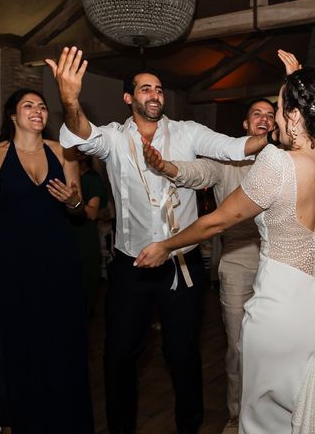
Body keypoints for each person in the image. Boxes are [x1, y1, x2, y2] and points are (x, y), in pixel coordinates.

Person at [135, 67, 315, 433]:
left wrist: (165, 246)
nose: (275, 118)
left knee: (268, 418)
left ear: (296, 117)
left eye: (280, 108)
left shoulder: (277, 164)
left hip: (278, 311)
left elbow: (216, 221)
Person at [46, 46, 274, 434]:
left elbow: (235, 147)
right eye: (146, 89)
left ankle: (190, 426)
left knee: (183, 354)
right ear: (128, 98)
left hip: (180, 267)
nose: (155, 95)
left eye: (159, 89)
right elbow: (82, 137)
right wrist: (69, 98)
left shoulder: (187, 132)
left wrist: (275, 130)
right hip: (130, 266)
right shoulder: (115, 139)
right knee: (118, 356)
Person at [142, 97, 277, 433]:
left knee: (275, 342)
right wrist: (167, 167)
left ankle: (275, 414)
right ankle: (236, 414)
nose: (264, 119)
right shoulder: (226, 162)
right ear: (245, 126)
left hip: (279, 259)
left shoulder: (284, 160)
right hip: (237, 258)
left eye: (270, 115)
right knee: (237, 344)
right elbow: (197, 171)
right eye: (256, 113)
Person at [0, 88, 93, 432]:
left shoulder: (64, 152)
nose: (37, 111)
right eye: (28, 106)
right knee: (16, 341)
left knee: (61, 340)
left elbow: (79, 211)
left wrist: (73, 202)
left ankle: (63, 417)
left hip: (58, 261)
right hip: (10, 264)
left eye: (42, 106)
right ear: (12, 115)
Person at [70, 151, 109, 318]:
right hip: (65, 238)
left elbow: (93, 213)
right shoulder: (62, 175)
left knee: (83, 289)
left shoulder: (92, 179)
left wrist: (74, 202)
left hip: (84, 239)